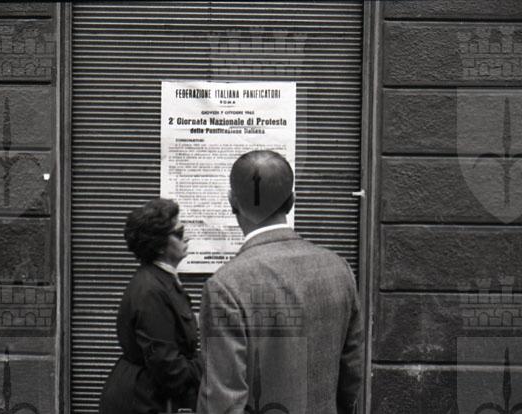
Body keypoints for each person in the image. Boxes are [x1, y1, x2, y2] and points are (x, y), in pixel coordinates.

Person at [197, 150, 363, 414]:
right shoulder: (339, 270)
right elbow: (352, 372)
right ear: (292, 200)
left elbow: (222, 401)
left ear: (232, 201)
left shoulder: (225, 287)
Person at [100, 198, 201, 414]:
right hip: (142, 403)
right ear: (159, 244)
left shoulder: (161, 281)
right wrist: (211, 364)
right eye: (179, 233)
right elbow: (169, 370)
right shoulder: (151, 291)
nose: (187, 237)